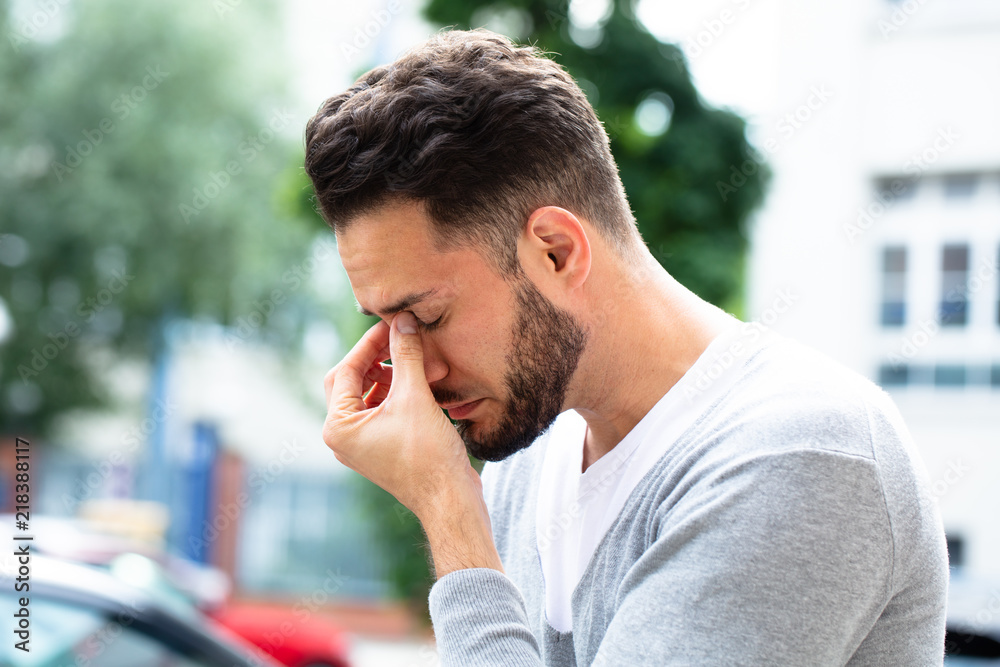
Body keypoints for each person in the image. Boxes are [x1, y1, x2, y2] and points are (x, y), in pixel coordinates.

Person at [305, 29, 948, 666]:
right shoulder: (525, 459)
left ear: (556, 252)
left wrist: (448, 509)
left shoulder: (796, 454)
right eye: (389, 326)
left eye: (427, 317)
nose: (416, 370)